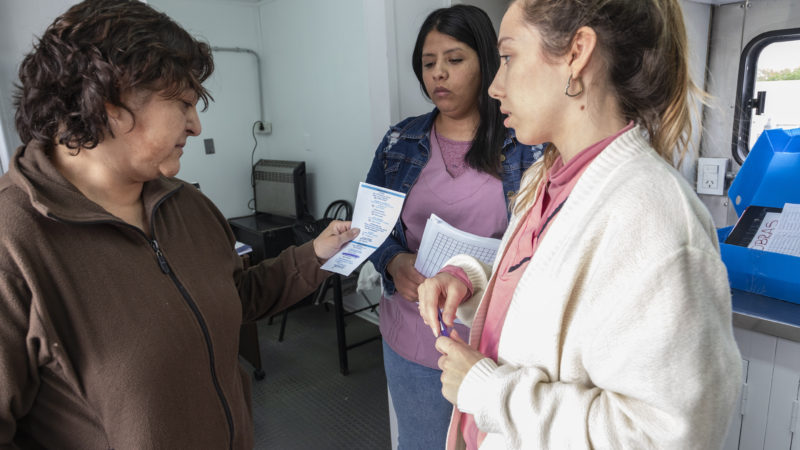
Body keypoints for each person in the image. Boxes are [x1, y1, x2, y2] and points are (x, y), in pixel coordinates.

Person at [0, 0, 357, 448]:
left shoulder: (186, 205)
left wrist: (314, 255)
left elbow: (235, 298)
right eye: (184, 103)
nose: (195, 124)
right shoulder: (13, 242)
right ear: (110, 103)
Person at [417, 0, 742, 448]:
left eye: (508, 58)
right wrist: (469, 281)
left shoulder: (654, 216)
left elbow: (662, 436)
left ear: (577, 53)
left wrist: (488, 390)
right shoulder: (544, 178)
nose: (494, 86)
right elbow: (551, 295)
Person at [364, 4, 543, 449]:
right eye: (429, 64)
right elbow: (371, 228)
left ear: (486, 61)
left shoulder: (524, 144)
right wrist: (393, 261)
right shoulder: (399, 142)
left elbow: (538, 243)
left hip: (495, 342)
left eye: (454, 60)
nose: (438, 74)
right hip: (413, 333)